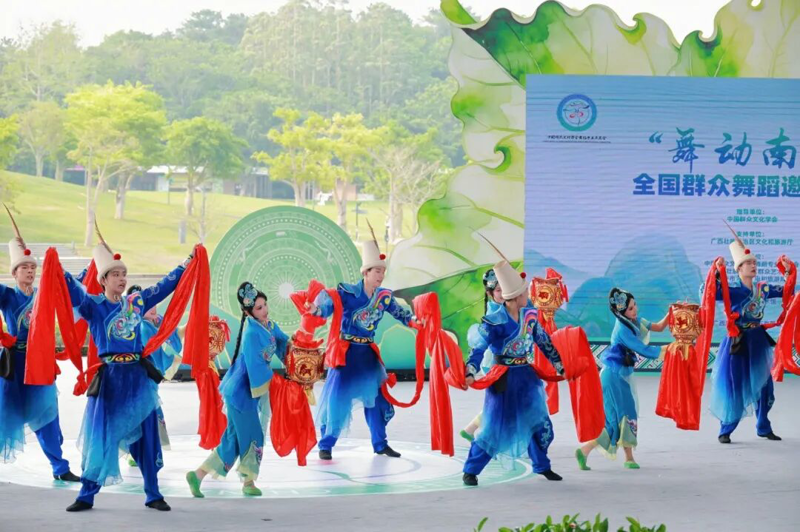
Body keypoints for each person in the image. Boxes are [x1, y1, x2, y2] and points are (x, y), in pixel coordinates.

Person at [62, 231, 190, 512]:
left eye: (123, 274)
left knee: (147, 436)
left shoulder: (136, 303)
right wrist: (58, 270)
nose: (121, 279)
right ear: (104, 280)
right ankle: (86, 495)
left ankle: (153, 493)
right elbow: (72, 290)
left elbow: (163, 287)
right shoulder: (93, 306)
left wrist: (186, 264)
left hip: (137, 379)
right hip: (110, 380)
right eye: (115, 274)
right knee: (101, 437)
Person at [306, 234, 419, 460]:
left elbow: (402, 315)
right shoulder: (348, 293)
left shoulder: (384, 297)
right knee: (337, 400)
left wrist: (417, 322)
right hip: (347, 355)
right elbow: (327, 307)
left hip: (367, 355)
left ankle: (380, 443)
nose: (381, 276)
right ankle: (326, 444)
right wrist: (315, 309)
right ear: (365, 272)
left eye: (383, 272)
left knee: (375, 399)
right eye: (377, 271)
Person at [462, 260, 564, 486]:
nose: (528, 294)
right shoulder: (494, 321)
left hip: (527, 376)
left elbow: (543, 341)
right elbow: (478, 349)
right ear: (516, 296)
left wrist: (558, 363)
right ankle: (471, 469)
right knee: (495, 427)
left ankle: (542, 466)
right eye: (525, 292)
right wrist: (471, 370)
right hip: (503, 379)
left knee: (539, 423)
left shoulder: (530, 315)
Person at [186, 282, 288, 498]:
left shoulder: (269, 326)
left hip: (246, 390)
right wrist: (275, 380)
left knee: (232, 441)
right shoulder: (251, 333)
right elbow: (254, 366)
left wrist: (298, 352)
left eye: (265, 305)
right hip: (242, 392)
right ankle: (248, 482)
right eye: (259, 308)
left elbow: (282, 343)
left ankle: (197, 475)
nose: (264, 310)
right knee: (253, 436)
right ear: (248, 312)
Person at [0, 211, 80, 482]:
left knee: (47, 416)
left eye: (33, 268)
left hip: (39, 364)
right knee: (5, 417)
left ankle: (60, 468)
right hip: (14, 365)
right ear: (14, 273)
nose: (30, 271)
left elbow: (70, 292)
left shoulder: (43, 295)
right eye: (24, 268)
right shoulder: (7, 295)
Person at [709, 236, 793, 444]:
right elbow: (709, 292)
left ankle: (763, 427)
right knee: (735, 385)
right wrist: (717, 273)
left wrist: (788, 272)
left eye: (754, 262)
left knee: (764, 385)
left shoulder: (763, 289)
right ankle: (726, 428)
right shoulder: (733, 292)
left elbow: (786, 292)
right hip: (738, 341)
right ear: (739, 268)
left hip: (757, 340)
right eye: (748, 263)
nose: (753, 266)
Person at [575, 288, 667, 470]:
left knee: (615, 421)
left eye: (635, 305)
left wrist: (672, 314)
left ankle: (584, 451)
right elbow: (644, 350)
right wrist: (670, 349)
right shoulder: (622, 329)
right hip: (613, 377)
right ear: (621, 312)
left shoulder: (634, 321)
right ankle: (629, 458)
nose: (635, 310)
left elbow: (658, 327)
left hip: (620, 376)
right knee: (626, 415)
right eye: (631, 308)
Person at [124, 285, 182, 467]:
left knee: (145, 414)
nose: (152, 307)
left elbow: (172, 336)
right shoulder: (142, 327)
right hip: (140, 378)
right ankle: (142, 453)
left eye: (152, 303)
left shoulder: (157, 322)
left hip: (149, 378)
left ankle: (138, 452)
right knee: (148, 413)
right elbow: (159, 349)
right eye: (146, 305)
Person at [460, 268, 504, 442]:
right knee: (500, 404)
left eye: (505, 288)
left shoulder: (507, 307)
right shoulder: (494, 314)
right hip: (494, 363)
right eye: (498, 290)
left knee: (500, 403)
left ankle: (470, 430)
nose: (503, 293)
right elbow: (480, 346)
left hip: (505, 363)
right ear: (490, 293)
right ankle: (486, 440)